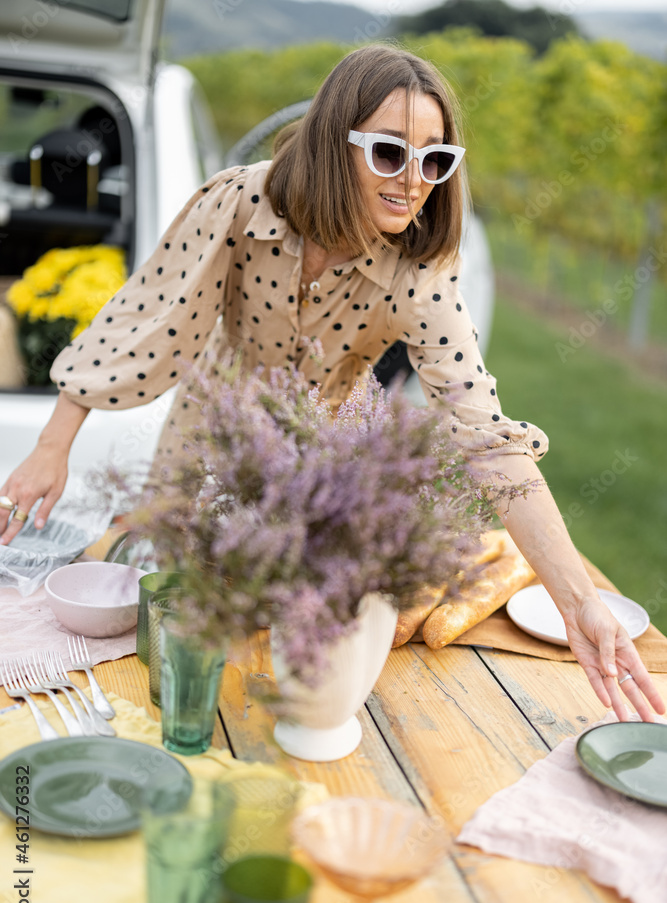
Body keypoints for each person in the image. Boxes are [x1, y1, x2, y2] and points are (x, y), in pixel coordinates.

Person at [0, 45, 662, 723]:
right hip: (197, 446)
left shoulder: (417, 277)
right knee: (174, 652)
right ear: (331, 143)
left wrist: (579, 603)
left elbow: (489, 442)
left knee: (276, 666)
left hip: (309, 482)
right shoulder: (237, 202)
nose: (413, 180)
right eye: (388, 152)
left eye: (435, 160)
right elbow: (144, 315)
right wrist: (53, 446)